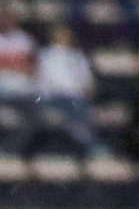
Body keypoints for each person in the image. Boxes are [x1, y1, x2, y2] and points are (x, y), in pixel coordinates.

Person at [34, 24, 104, 156]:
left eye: (65, 34)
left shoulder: (78, 56)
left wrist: (85, 91)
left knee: (83, 110)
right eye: (59, 34)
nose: (63, 37)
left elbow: (88, 82)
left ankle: (89, 147)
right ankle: (89, 146)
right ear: (53, 36)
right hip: (55, 97)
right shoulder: (46, 55)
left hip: (76, 98)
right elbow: (44, 80)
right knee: (74, 112)